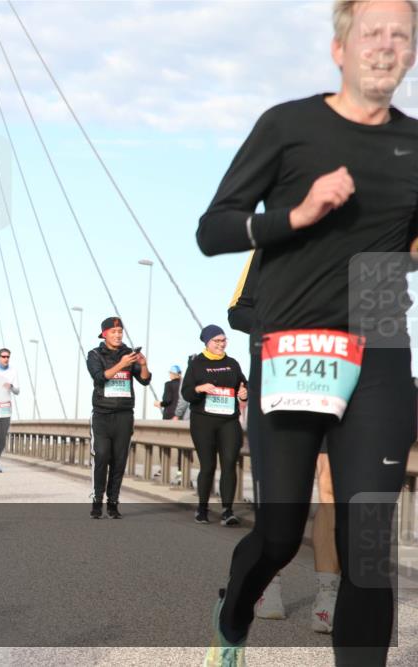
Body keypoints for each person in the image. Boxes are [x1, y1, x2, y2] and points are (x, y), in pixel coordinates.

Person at [198, 2, 417, 664]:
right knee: (279, 533)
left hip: (379, 341)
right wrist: (298, 212)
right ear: (339, 49)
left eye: (402, 34)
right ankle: (233, 617)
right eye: (372, 31)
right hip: (293, 342)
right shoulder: (288, 127)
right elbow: (214, 228)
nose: (387, 44)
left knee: (369, 545)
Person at [231, 253, 343, 633]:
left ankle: (327, 596)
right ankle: (268, 583)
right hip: (282, 382)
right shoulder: (271, 241)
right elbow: (237, 311)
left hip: (334, 381)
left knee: (331, 490)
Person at [180, 325, 248, 526]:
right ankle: (202, 509)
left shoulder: (232, 363)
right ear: (207, 342)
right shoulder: (196, 364)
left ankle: (227, 511)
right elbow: (186, 393)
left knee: (229, 463)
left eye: (223, 340)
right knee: (208, 465)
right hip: (203, 421)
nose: (221, 344)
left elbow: (244, 384)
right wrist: (199, 388)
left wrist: (244, 392)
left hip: (228, 420)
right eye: (216, 341)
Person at [85, 316, 151, 519]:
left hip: (124, 415)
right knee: (103, 455)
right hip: (102, 415)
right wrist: (121, 365)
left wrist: (144, 364)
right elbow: (99, 378)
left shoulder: (129, 355)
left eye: (120, 332)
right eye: (113, 332)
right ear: (104, 334)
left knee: (119, 460)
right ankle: (97, 501)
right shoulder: (95, 354)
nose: (118, 335)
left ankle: (113, 503)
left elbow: (145, 380)